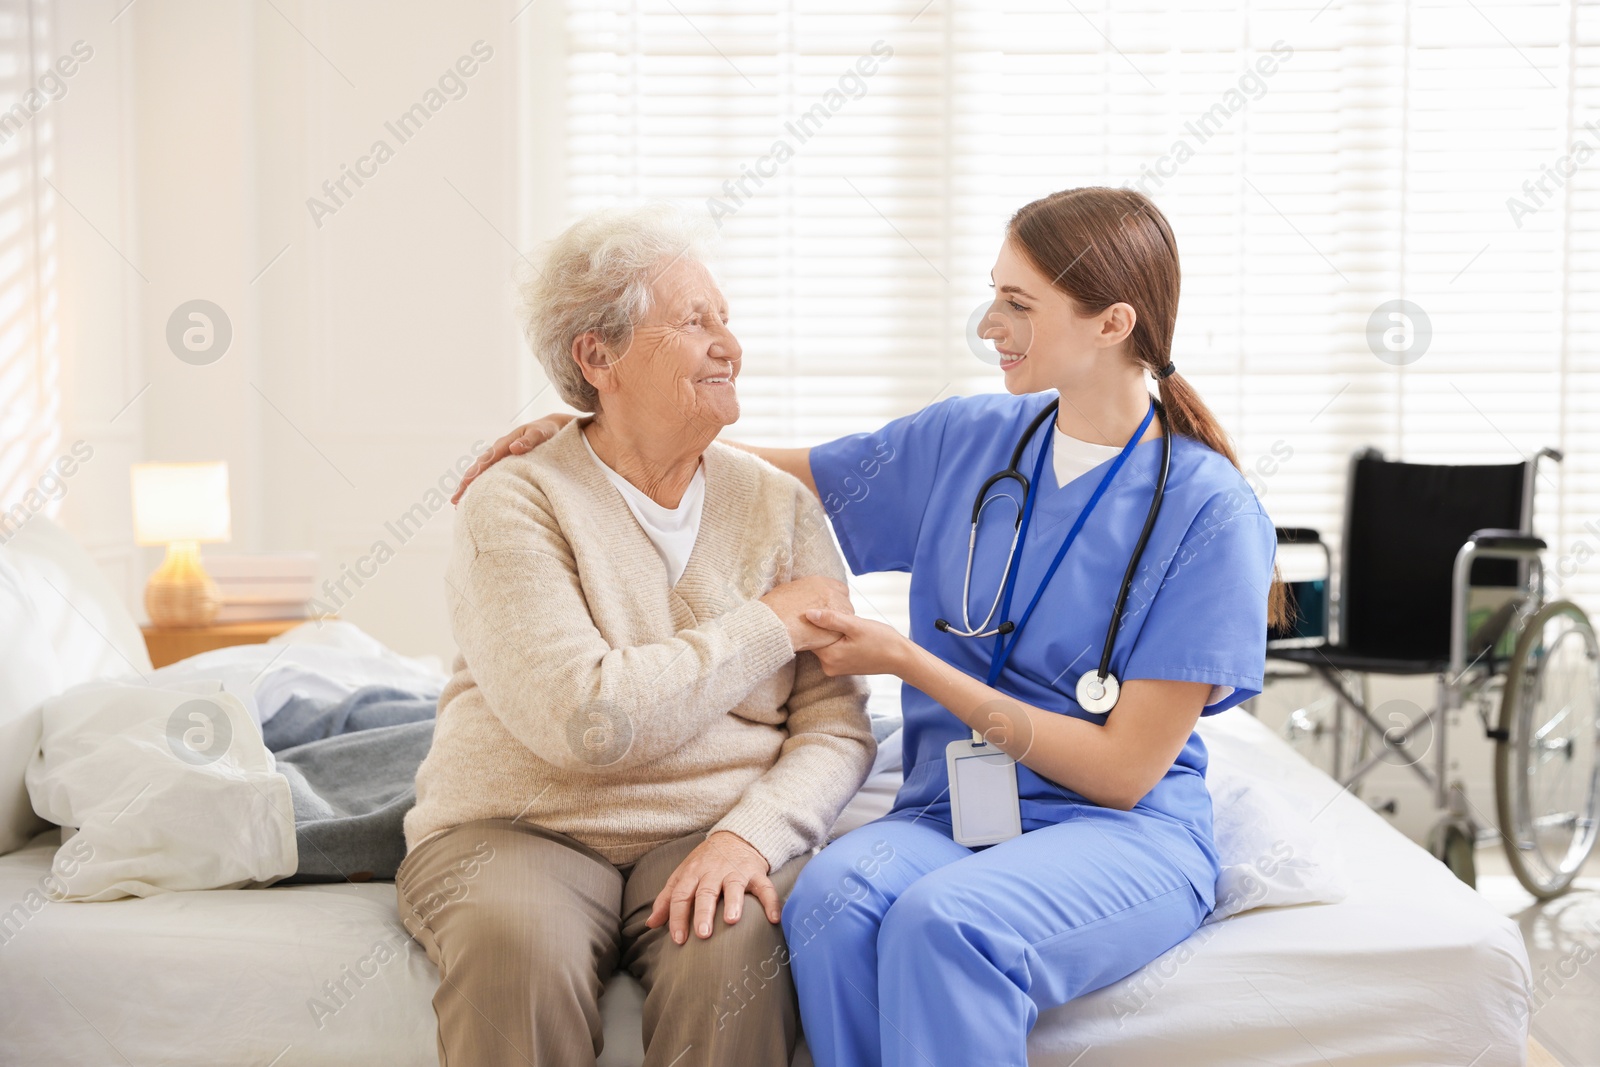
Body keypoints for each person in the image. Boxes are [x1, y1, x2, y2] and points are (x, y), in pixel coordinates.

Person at [457, 186, 1282, 1067]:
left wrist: (907, 661)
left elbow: (1123, 772)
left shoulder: (1208, 511)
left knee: (946, 921)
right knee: (829, 904)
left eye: (1017, 303)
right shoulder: (969, 442)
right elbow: (775, 473)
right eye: (993, 293)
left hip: (1120, 830)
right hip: (950, 811)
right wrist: (593, 426)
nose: (988, 324)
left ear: (1113, 323)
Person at [399, 204, 876, 1067]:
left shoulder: (779, 505)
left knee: (739, 949)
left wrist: (754, 832)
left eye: (727, 319)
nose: (729, 343)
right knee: (515, 952)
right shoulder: (515, 500)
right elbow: (587, 721)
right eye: (696, 321)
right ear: (597, 356)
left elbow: (836, 726)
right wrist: (767, 624)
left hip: (712, 823)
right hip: (520, 825)